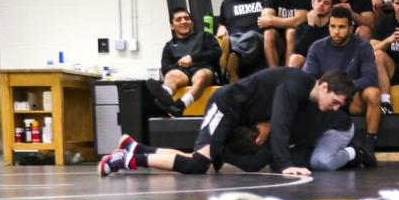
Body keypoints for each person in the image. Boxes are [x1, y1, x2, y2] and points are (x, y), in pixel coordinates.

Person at [100, 68, 356, 176]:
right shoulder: (297, 84)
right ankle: (128, 159)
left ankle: (135, 148)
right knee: (198, 164)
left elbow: (273, 112)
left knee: (209, 159)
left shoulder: (304, 92)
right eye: (335, 101)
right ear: (323, 86)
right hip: (225, 106)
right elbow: (281, 124)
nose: (335, 108)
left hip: (237, 115)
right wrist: (285, 164)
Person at [303, 7, 382, 166]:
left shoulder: (363, 46)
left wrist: (344, 88)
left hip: (351, 96)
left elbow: (371, 77)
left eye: (341, 27)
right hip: (325, 98)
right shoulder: (317, 47)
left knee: (373, 93)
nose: (336, 31)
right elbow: (308, 78)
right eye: (332, 26)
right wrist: (328, 92)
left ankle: (369, 145)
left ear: (350, 28)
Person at [145, 6, 222, 115]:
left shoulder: (205, 36)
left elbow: (216, 53)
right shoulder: (169, 46)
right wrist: (179, 65)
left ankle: (181, 105)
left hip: (205, 71)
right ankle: (165, 96)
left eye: (187, 18)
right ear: (172, 26)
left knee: (201, 75)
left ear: (192, 23)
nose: (183, 21)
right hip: (182, 74)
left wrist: (192, 58)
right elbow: (166, 68)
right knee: (171, 74)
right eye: (178, 19)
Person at [259, 0, 312, 68]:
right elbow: (265, 19)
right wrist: (290, 21)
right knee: (268, 33)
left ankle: (288, 74)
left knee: (291, 31)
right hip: (279, 42)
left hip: (298, 40)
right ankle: (274, 74)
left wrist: (271, 20)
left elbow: (298, 21)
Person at [218, 0, 267, 77]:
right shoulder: (227, 3)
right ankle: (233, 58)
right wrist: (221, 27)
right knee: (232, 39)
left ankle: (232, 54)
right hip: (236, 38)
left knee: (251, 35)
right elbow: (222, 23)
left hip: (259, 40)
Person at [288, 0, 333, 69]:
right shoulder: (303, 26)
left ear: (331, 8)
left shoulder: (333, 26)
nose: (321, 4)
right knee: (295, 59)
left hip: (326, 62)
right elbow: (299, 51)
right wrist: (311, 26)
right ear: (312, 3)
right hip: (307, 63)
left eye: (326, 3)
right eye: (319, 0)